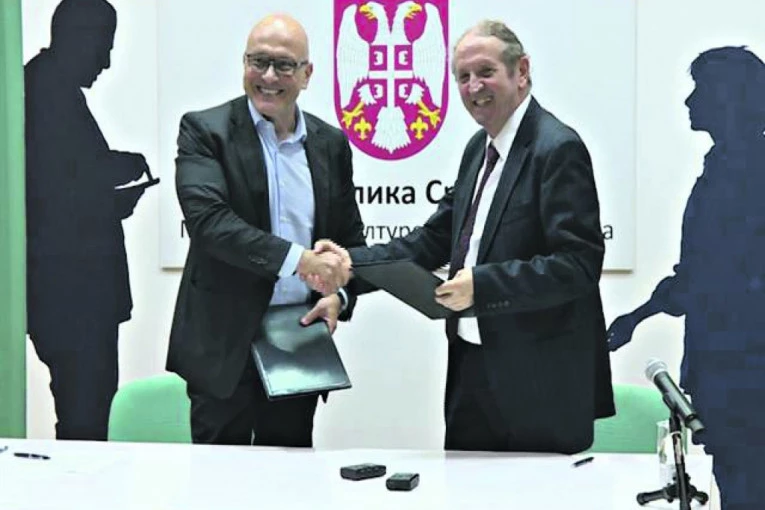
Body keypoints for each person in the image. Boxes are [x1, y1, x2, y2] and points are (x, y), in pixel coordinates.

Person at [315, 20, 614, 454]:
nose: (474, 87)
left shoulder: (557, 148)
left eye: (485, 72)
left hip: (541, 384)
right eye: (463, 76)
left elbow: (579, 264)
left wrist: (482, 284)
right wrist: (349, 265)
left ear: (521, 71)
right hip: (471, 374)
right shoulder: (478, 149)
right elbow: (430, 241)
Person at [166, 13, 365, 447]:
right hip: (222, 345)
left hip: (297, 342)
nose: (269, 76)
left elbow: (350, 244)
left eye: (284, 65)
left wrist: (339, 296)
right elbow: (210, 224)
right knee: (219, 476)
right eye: (258, 62)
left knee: (291, 472)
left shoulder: (331, 144)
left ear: (307, 74)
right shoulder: (205, 131)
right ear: (244, 64)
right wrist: (301, 261)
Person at [608, 46, 765, 509]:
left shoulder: (748, 175)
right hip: (726, 373)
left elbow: (713, 280)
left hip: (746, 381)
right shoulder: (724, 167)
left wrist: (638, 316)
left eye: (703, 89)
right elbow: (697, 275)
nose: (690, 101)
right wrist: (638, 316)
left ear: (732, 98)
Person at [25, 0, 150, 440]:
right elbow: (60, 186)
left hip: (71, 294)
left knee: (88, 416)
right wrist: (119, 176)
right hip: (71, 295)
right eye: (103, 46)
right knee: (87, 421)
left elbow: (70, 175)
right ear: (77, 39)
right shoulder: (45, 91)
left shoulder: (47, 87)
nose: (106, 61)